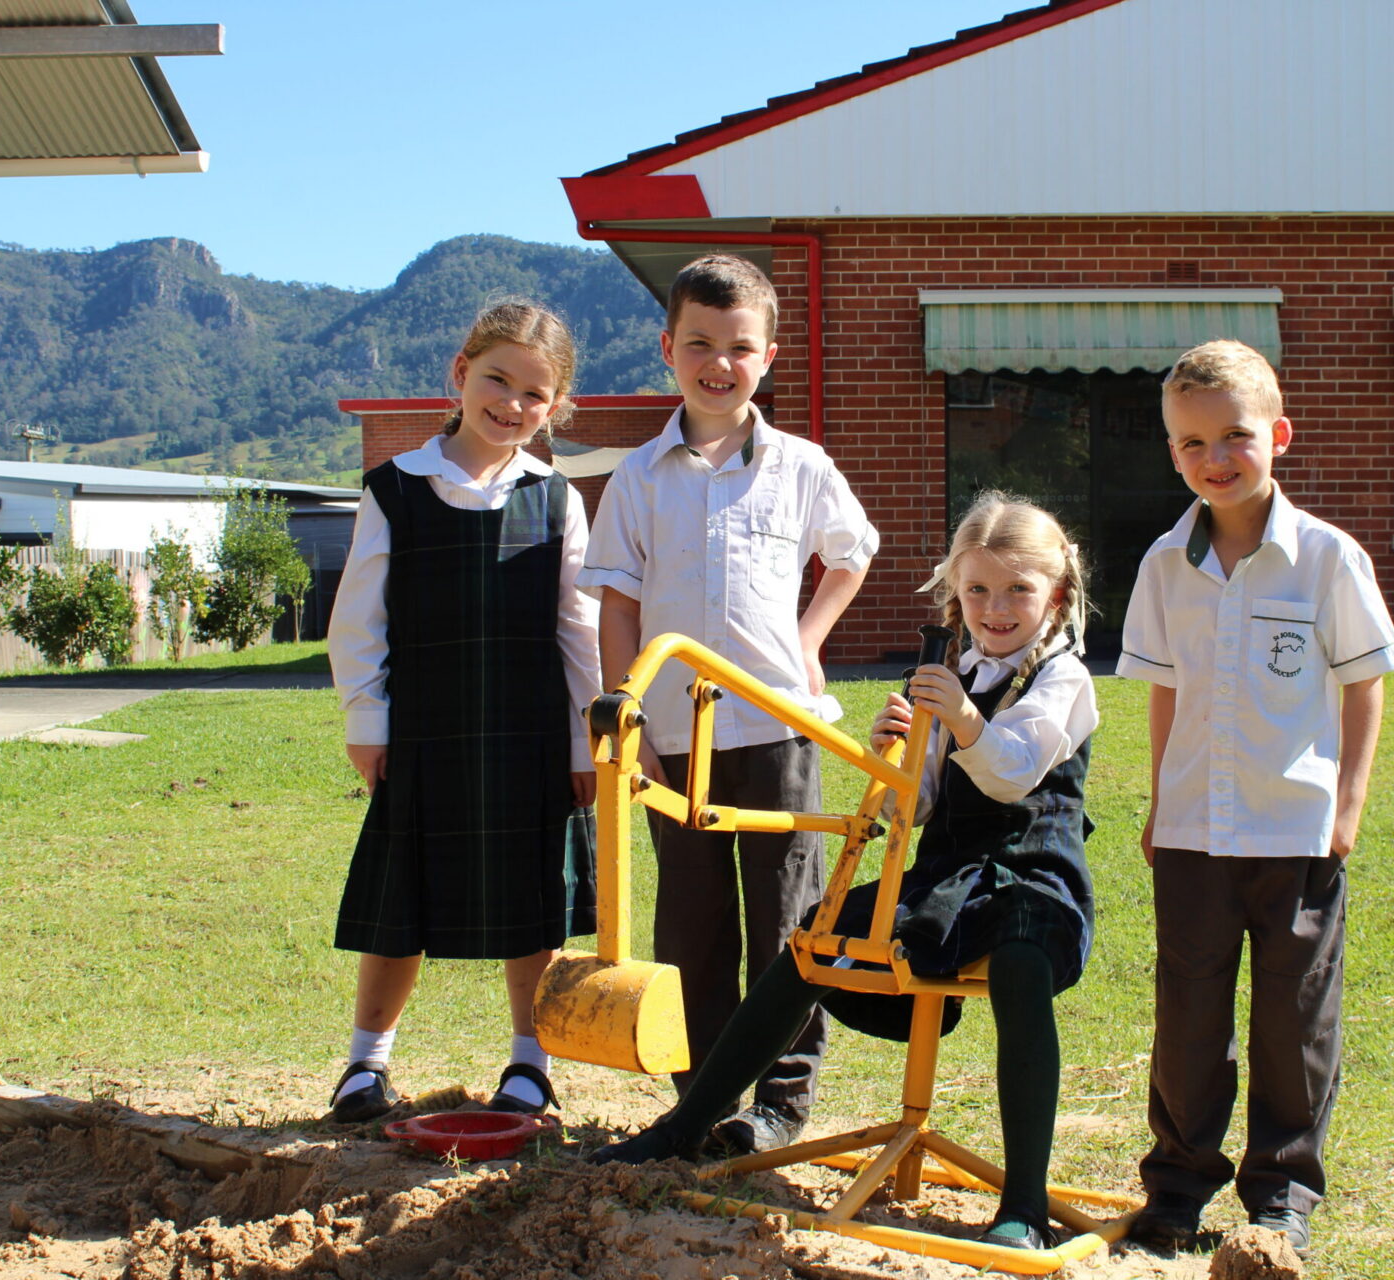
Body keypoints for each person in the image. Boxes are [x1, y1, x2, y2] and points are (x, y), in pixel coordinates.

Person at [591, 492, 1097, 1253]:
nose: (997, 609)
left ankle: (1023, 1201)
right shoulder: (949, 668)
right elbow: (917, 811)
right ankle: (685, 1126)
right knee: (815, 939)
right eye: (978, 591)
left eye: (1019, 590)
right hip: (947, 876)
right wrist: (897, 751)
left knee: (1021, 965)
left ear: (1055, 595)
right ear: (956, 595)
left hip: (1033, 874)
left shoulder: (1063, 679)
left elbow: (1012, 773)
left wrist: (959, 719)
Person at [578, 254, 877, 1156]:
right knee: (693, 926)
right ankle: (699, 1098)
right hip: (676, 737)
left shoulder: (801, 466)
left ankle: (779, 1103)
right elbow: (619, 605)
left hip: (777, 728)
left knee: (787, 922)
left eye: (739, 347)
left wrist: (811, 641)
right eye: (700, 344)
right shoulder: (639, 477)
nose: (719, 363)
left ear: (769, 356)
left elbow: (853, 553)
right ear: (668, 348)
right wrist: (630, 724)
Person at [1117, 340, 1394, 1258]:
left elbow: (1366, 681)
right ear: (1173, 453)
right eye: (1192, 442)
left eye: (1235, 435)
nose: (1216, 457)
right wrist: (1162, 801)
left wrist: (1347, 806)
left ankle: (1282, 1194)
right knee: (1188, 1015)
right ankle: (1176, 1188)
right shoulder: (1166, 564)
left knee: (1294, 1017)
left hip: (1297, 827)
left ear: (1277, 436)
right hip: (1198, 830)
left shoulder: (1327, 558)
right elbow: (1167, 688)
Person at [323, 299, 602, 1123]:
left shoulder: (557, 499)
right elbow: (359, 622)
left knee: (532, 900)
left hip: (529, 737)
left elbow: (577, 631)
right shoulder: (394, 490)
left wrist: (585, 740)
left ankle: (530, 1063)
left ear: (556, 407)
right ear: (460, 373)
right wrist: (366, 725)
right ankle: (364, 1066)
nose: (513, 405)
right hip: (425, 731)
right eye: (498, 381)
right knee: (399, 900)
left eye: (535, 394)